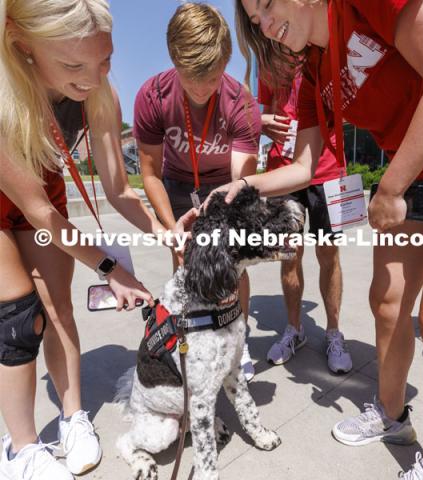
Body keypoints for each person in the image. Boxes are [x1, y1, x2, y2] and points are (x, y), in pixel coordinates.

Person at [223, 1, 423, 479]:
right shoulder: (313, 68)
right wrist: (244, 185)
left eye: (266, 4)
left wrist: (393, 187)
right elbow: (303, 166)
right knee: (387, 303)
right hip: (415, 168)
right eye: (255, 19)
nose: (263, 22)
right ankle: (392, 415)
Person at [0, 1, 182, 478]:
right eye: (73, 65)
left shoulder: (99, 95)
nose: (94, 78)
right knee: (18, 315)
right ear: (23, 46)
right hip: (13, 197)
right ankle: (20, 448)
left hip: (42, 186)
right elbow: (38, 213)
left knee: (57, 305)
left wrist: (165, 234)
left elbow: (120, 189)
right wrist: (111, 269)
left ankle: (72, 415)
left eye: (105, 60)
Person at [134, 2, 262, 381]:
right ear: (175, 60)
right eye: (194, 79)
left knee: (231, 266)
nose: (206, 89)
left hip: (223, 186)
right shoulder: (153, 97)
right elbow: (150, 173)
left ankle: (238, 340)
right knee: (187, 264)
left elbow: (242, 182)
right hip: (175, 183)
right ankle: (195, 336)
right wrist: (172, 227)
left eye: (214, 76)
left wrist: (229, 223)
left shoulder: (241, 103)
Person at [258, 74, 352, 373]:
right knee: (288, 256)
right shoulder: (269, 57)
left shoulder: (323, 51)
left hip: (327, 168)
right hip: (283, 171)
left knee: (329, 255)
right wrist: (263, 122)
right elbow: (267, 111)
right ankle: (294, 329)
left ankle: (333, 332)